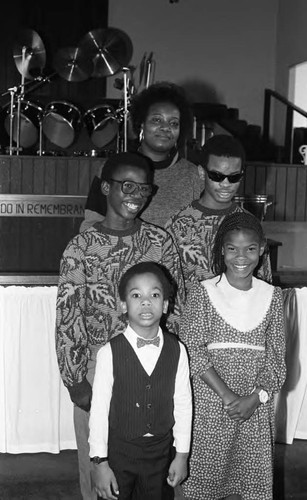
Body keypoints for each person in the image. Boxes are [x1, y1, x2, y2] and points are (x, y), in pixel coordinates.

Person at [55, 152, 185, 500]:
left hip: (151, 366)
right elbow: (68, 320)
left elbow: (178, 308)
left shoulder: (160, 242)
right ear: (105, 188)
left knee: (150, 474)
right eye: (127, 186)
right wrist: (75, 382)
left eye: (144, 189)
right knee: (101, 478)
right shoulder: (80, 248)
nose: (137, 195)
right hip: (98, 373)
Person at [179, 211, 286, 500]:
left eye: (250, 248)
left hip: (255, 407)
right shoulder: (203, 293)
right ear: (221, 250)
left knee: (250, 485)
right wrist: (228, 397)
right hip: (212, 405)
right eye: (232, 248)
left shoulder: (273, 296)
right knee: (206, 483)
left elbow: (277, 358)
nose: (242, 257)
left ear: (262, 249)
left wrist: (256, 397)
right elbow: (192, 350)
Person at [89, 262, 192, 500]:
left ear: (165, 304)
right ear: (123, 305)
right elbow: (99, 410)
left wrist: (182, 455)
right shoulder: (109, 352)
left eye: (154, 295)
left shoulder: (178, 350)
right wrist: (99, 462)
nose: (146, 302)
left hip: (160, 454)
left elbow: (184, 405)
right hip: (119, 454)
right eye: (136, 295)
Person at [80, 81, 205, 231]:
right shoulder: (114, 168)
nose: (165, 127)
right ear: (141, 124)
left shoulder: (193, 175)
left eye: (174, 123)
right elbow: (90, 225)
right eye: (157, 120)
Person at [165, 134, 272, 293]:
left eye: (234, 177)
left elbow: (264, 285)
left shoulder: (249, 224)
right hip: (193, 316)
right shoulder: (177, 226)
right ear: (202, 173)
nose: (225, 184)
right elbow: (168, 292)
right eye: (216, 176)